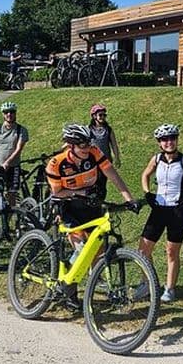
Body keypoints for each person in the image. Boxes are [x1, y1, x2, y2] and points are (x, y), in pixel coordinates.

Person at [45, 124, 138, 307]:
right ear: (71, 146)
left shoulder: (94, 153)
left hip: (90, 205)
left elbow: (112, 175)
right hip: (68, 208)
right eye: (82, 145)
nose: (87, 148)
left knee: (98, 249)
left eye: (89, 143)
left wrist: (129, 198)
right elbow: (58, 192)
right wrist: (80, 192)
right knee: (81, 250)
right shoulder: (56, 164)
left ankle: (92, 281)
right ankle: (68, 289)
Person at [140, 124, 183, 302]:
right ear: (159, 143)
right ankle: (147, 284)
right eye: (164, 139)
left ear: (176, 140)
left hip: (177, 212)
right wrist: (147, 193)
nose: (169, 142)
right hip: (158, 210)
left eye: (172, 138)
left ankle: (170, 289)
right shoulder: (156, 159)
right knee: (143, 249)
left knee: (171, 251)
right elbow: (145, 175)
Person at [0, 101, 29, 208]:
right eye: (6, 112)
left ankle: (11, 214)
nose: (9, 114)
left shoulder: (21, 130)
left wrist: (8, 162)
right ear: (3, 114)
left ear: (15, 113)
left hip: (13, 166)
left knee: (11, 194)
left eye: (12, 112)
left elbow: (18, 149)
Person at [88, 103, 121, 201]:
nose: (102, 117)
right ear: (94, 116)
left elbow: (114, 145)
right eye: (100, 115)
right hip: (92, 161)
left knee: (102, 183)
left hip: (105, 161)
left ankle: (101, 201)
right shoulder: (89, 130)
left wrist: (117, 158)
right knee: (93, 183)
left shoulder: (108, 130)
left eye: (104, 115)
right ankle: (93, 202)